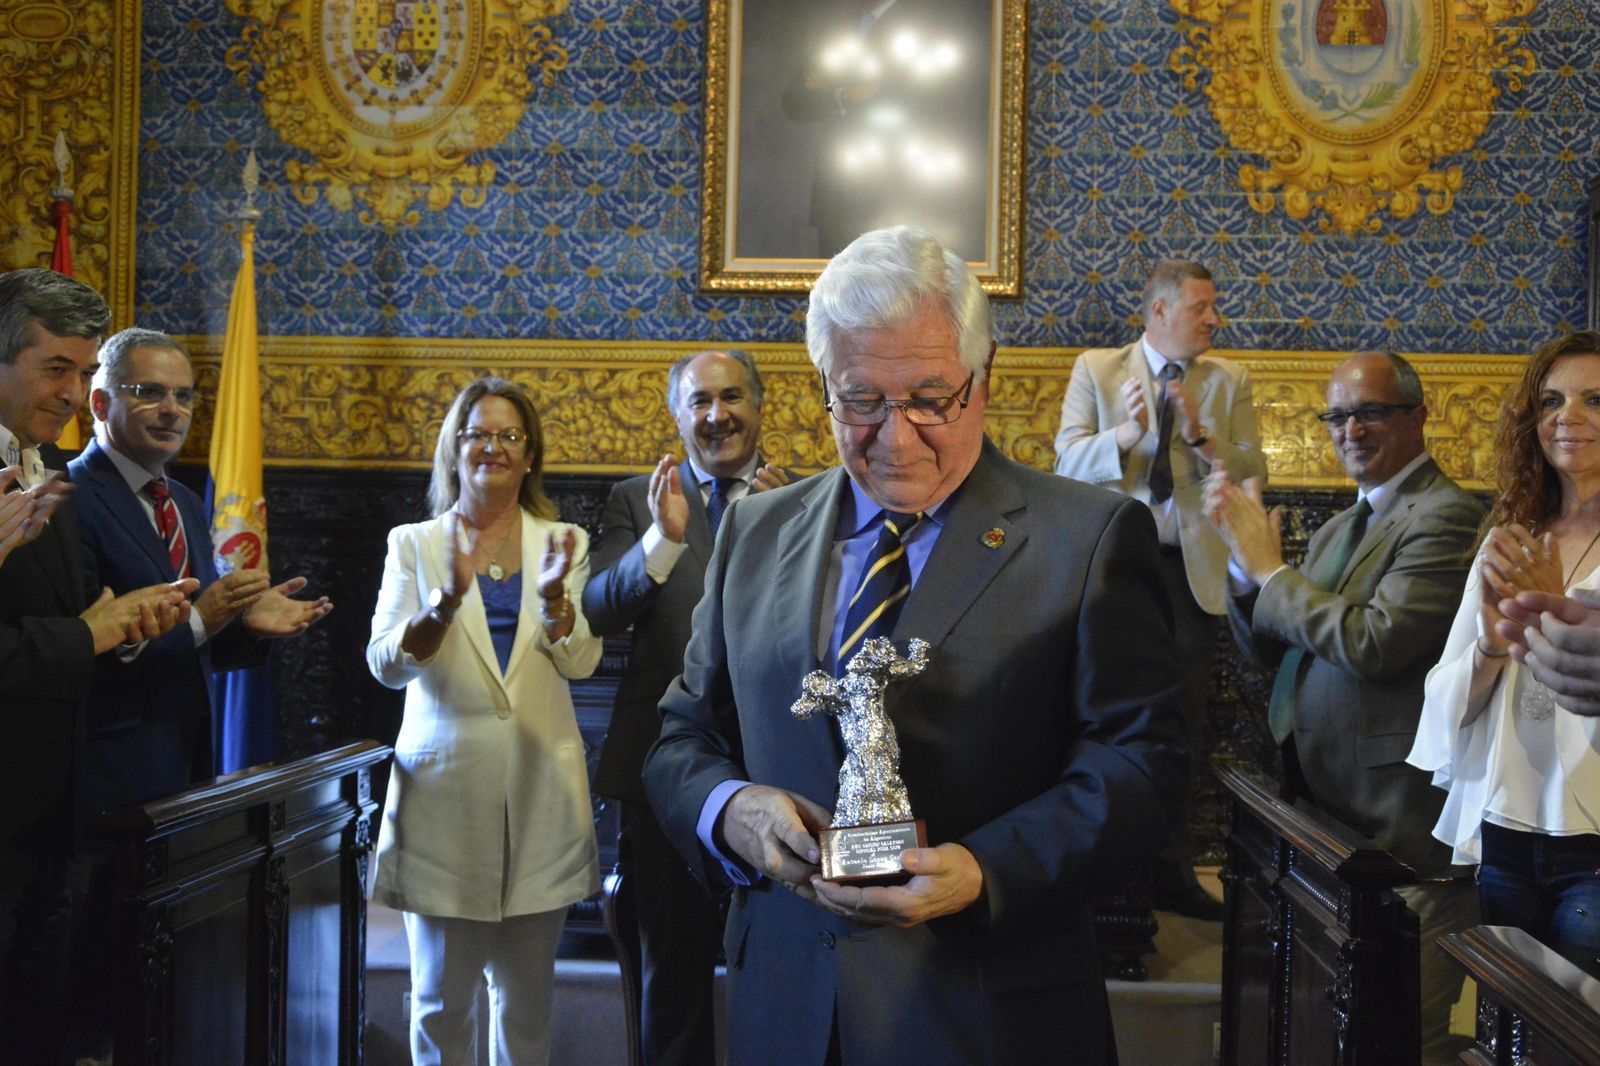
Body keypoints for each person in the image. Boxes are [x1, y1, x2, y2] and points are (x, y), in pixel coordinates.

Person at [642, 226, 1187, 1066]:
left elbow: (1142, 763)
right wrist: (732, 813)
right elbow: (682, 740)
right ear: (823, 384)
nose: (896, 439)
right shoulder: (754, 532)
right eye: (861, 401)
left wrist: (983, 869)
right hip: (788, 1009)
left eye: (933, 398)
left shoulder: (1089, 538)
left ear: (984, 378)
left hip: (990, 1012)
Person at [1206, 351, 1484, 1064]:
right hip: (1327, 823)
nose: (1349, 430)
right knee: (1331, 1028)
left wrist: (1271, 572)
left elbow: (1375, 643)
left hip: (1401, 833)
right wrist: (1245, 575)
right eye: (1336, 415)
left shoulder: (1447, 517)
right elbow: (1275, 652)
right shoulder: (1338, 529)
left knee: (1394, 1039)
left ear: (1418, 417)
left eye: (1370, 412)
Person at [64, 327, 333, 1062]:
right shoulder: (68, 501)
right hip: (100, 789)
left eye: (183, 396)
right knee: (94, 1007)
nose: (171, 409)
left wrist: (250, 631)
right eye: (148, 392)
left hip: (180, 779)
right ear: (98, 400)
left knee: (159, 1003)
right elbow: (85, 653)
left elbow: (191, 644)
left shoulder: (180, 499)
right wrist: (204, 617)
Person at [367, 376, 603, 1065]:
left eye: (508, 436)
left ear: (530, 456)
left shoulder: (563, 539)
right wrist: (441, 606)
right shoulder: (414, 543)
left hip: (541, 798)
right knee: (441, 1005)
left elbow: (582, 662)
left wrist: (557, 601)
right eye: (477, 434)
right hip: (442, 801)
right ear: (454, 449)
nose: (492, 448)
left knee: (527, 1008)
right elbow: (385, 664)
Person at [0, 269, 196, 1065]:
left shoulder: (44, 471)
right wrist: (89, 634)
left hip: (52, 822)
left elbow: (85, 617)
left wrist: (132, 621)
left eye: (85, 375)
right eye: (57, 371)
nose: (77, 395)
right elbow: (61, 636)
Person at [582, 349, 789, 1066]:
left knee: (785, 970)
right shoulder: (637, 499)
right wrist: (662, 543)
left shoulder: (803, 497)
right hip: (667, 772)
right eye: (699, 401)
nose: (716, 413)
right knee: (671, 975)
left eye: (732, 396)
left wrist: (790, 534)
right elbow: (597, 607)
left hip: (780, 767)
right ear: (678, 415)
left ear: (761, 407)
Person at [1054, 258, 1265, 919]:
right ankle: (1107, 875)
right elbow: (1065, 460)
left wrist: (1202, 436)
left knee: (1184, 724)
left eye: (1212, 307)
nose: (1212, 319)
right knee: (1104, 717)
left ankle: (1172, 872)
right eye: (1201, 307)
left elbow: (1255, 464)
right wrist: (1130, 435)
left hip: (1189, 573)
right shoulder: (1098, 369)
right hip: (1111, 571)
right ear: (1159, 313)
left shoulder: (1230, 380)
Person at [1409, 330, 1600, 978]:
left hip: (1594, 844)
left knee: (1575, 1033)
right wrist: (1491, 646)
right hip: (1508, 831)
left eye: (1594, 400)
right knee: (1506, 1026)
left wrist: (1553, 613)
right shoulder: (1512, 535)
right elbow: (1443, 700)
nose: (1568, 417)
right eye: (1550, 401)